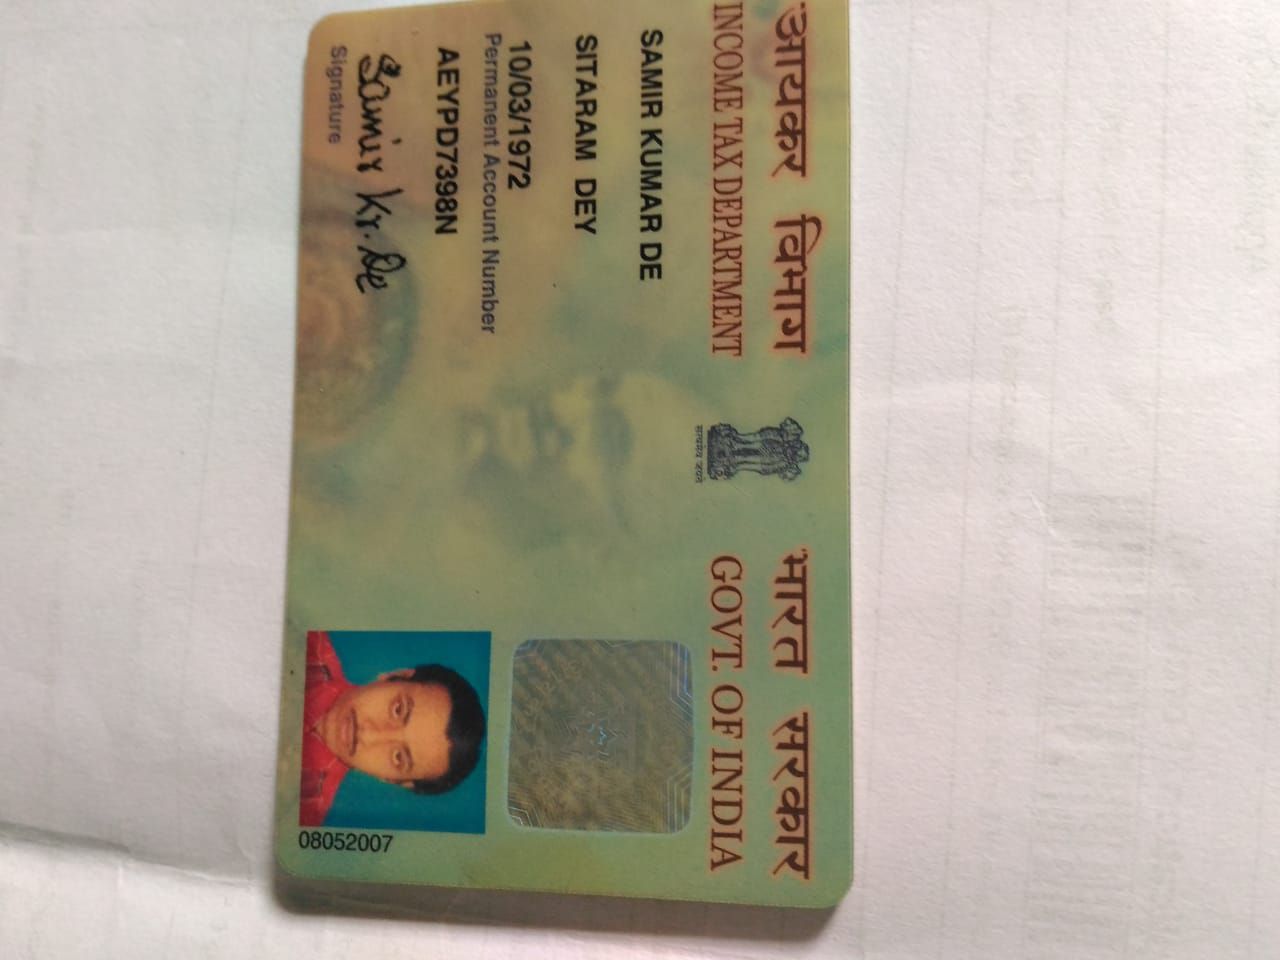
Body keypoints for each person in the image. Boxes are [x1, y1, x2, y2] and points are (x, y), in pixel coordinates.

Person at [299, 630, 486, 827]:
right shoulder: (305, 638)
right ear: (396, 675)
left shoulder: (301, 819)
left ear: (392, 780)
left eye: (398, 757)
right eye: (398, 710)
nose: (368, 735)